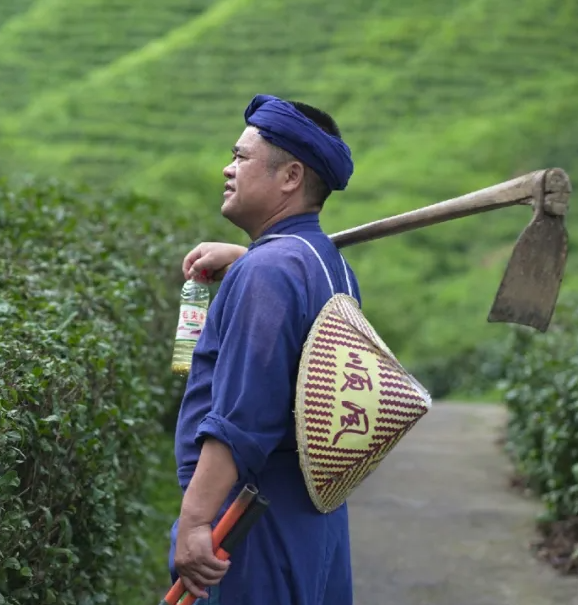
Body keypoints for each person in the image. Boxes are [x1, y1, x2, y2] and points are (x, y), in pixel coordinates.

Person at [169, 94, 361, 604]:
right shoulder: (327, 264)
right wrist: (248, 262)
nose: (227, 169)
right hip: (312, 520)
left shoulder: (271, 271)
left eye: (241, 157)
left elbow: (241, 422)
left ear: (291, 177)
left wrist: (195, 522)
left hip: (248, 524)